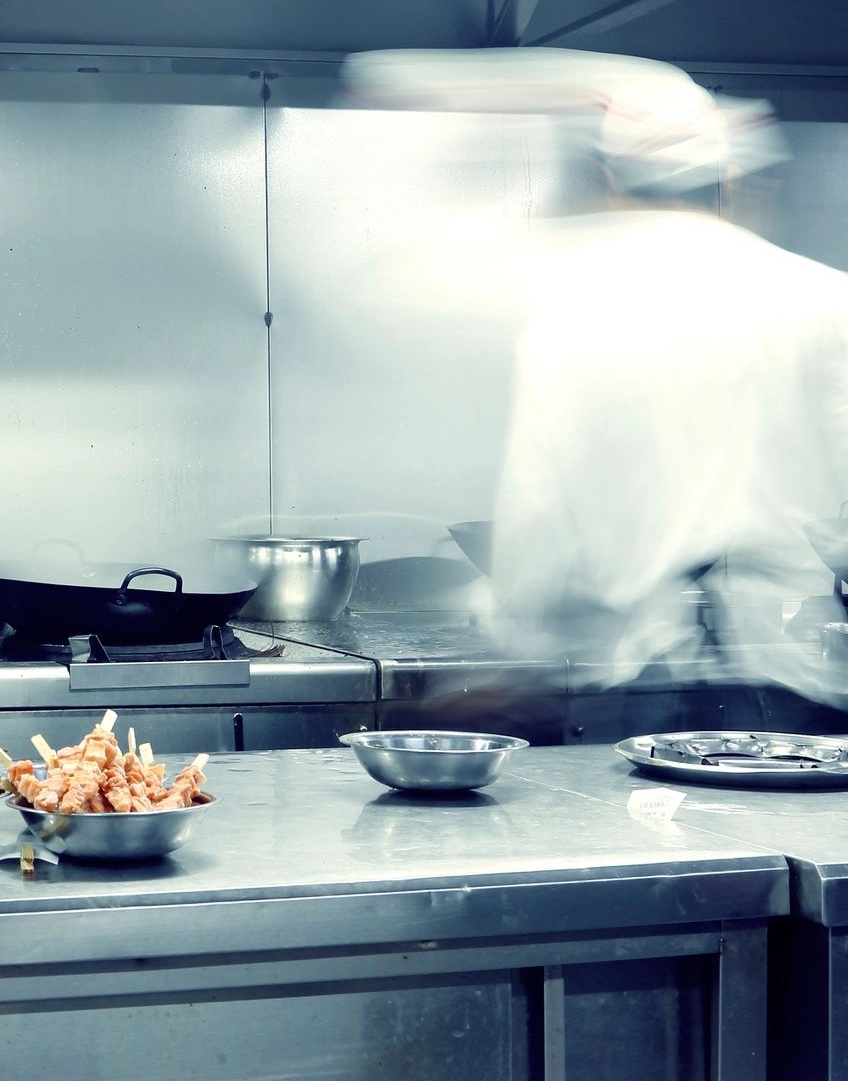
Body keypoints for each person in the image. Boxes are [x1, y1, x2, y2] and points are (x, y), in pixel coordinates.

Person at [342, 48, 848, 698]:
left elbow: (542, 533)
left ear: (609, 178)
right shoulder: (828, 301)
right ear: (730, 179)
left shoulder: (585, 319)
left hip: (651, 685)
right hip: (800, 682)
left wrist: (512, 643)